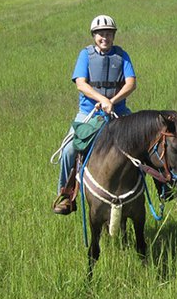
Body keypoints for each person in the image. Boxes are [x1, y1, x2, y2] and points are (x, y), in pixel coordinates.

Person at [52, 14, 137, 215]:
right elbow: (81, 83)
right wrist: (102, 100)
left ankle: (163, 188)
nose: (104, 37)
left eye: (108, 33)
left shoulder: (122, 55)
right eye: (100, 34)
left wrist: (112, 102)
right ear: (94, 36)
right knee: (69, 150)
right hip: (89, 114)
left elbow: (131, 83)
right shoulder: (85, 55)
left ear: (113, 35)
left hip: (119, 112)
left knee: (144, 141)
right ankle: (65, 194)